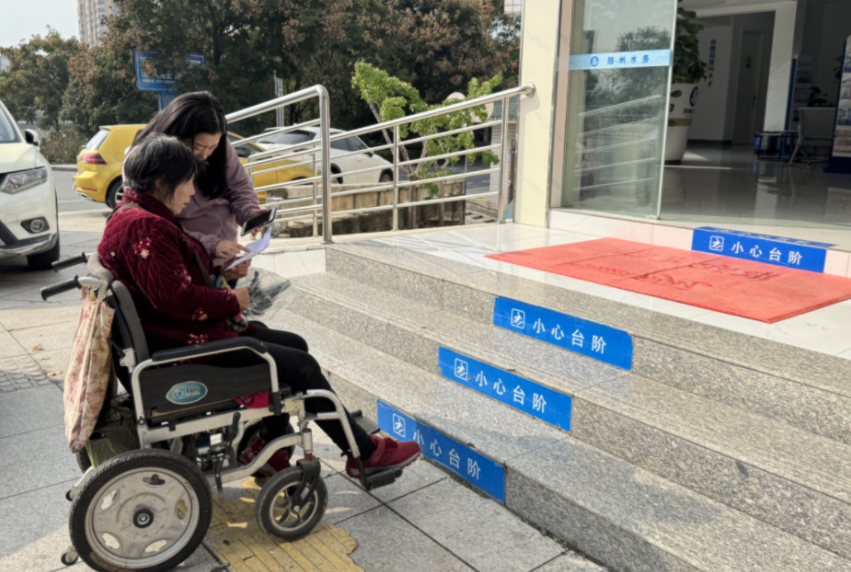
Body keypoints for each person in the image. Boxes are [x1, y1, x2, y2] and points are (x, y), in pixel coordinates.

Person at [99, 133, 420, 478]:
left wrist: (221, 272)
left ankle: (265, 443)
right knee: (302, 366)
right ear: (162, 182)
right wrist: (230, 300)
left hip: (174, 338)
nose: (191, 192)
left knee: (294, 345)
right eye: (188, 182)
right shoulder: (146, 225)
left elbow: (164, 283)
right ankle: (364, 453)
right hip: (182, 350)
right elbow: (174, 299)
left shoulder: (129, 215)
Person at [128, 92, 266, 265]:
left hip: (223, 256)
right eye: (198, 147)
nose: (205, 155)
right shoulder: (147, 160)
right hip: (187, 260)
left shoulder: (219, 146)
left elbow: (239, 186)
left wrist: (249, 212)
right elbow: (154, 225)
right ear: (177, 134)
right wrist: (211, 246)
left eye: (213, 147)